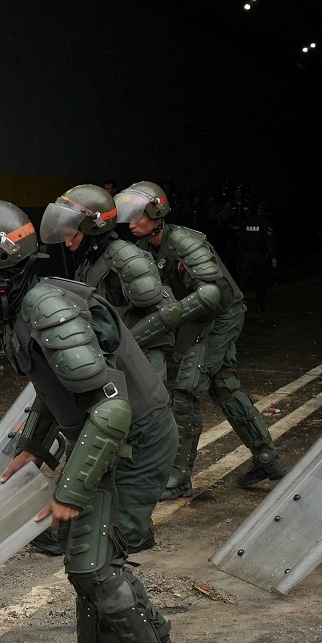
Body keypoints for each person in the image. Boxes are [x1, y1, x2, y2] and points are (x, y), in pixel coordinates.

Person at [0, 199, 202, 643]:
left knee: (97, 563)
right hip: (107, 434)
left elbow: (112, 405)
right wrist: (34, 444)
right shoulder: (22, 305)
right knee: (86, 563)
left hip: (134, 439)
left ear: (2, 265)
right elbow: (54, 389)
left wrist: (69, 492)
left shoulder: (47, 308)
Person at [37, 184, 194, 552]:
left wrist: (122, 343)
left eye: (71, 229)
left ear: (90, 228)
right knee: (110, 437)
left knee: (133, 438)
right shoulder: (93, 258)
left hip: (139, 357)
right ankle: (95, 516)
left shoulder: (125, 256)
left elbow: (159, 307)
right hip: (117, 356)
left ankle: (128, 526)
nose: (65, 238)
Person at [114, 181, 285, 496]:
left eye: (138, 216)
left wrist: (169, 320)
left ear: (157, 213)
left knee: (186, 391)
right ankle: (267, 457)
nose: (132, 223)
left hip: (221, 315)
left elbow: (213, 294)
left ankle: (179, 475)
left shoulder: (184, 242)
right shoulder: (146, 247)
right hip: (196, 318)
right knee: (224, 387)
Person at [229, 199, 279, 314]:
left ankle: (236, 307)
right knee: (260, 282)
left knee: (242, 282)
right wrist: (272, 256)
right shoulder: (265, 223)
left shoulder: (246, 222)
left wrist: (242, 253)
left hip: (246, 255)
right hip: (259, 256)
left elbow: (240, 240)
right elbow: (269, 240)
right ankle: (259, 306)